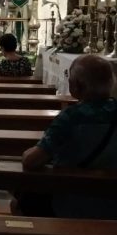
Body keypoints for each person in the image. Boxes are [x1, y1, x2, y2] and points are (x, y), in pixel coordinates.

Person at [19, 55, 117, 219]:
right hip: (113, 204)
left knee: (23, 202)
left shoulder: (72, 117)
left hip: (73, 202)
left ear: (77, 86)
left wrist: (26, 154)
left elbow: (33, 160)